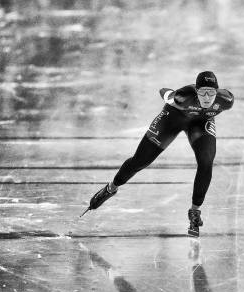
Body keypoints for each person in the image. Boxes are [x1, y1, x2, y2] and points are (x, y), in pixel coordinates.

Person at [82, 71, 234, 237]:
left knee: (206, 162)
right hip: (173, 118)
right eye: (202, 92)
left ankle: (195, 211)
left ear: (217, 92)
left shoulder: (225, 101)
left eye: (211, 92)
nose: (207, 97)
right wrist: (169, 93)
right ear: (196, 91)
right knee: (140, 161)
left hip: (200, 123)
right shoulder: (182, 97)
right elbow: (165, 93)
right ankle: (112, 187)